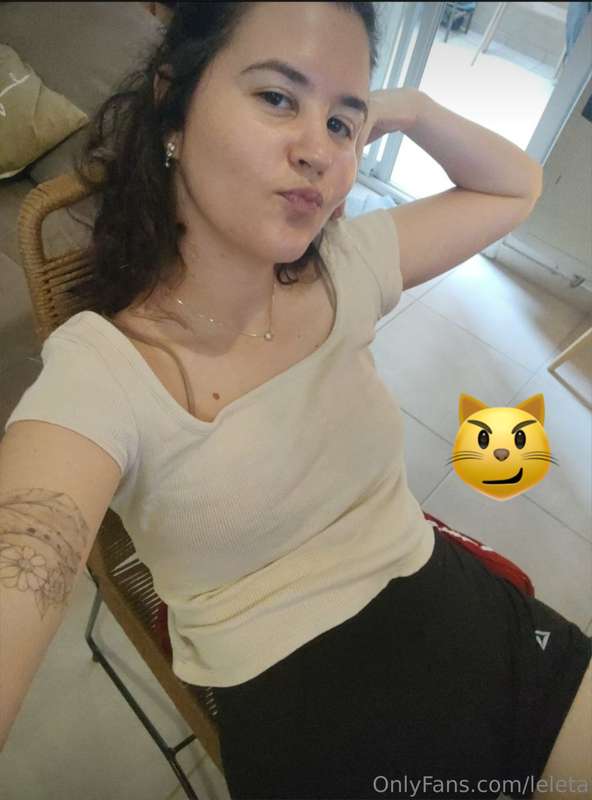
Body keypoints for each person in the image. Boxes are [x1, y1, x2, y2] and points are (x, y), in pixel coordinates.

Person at [0, 3, 590, 799]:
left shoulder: (346, 263)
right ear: (174, 105)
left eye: (342, 123)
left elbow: (516, 187)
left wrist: (406, 108)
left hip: (468, 620)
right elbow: (25, 551)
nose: (319, 150)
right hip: (315, 718)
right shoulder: (102, 370)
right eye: (278, 97)